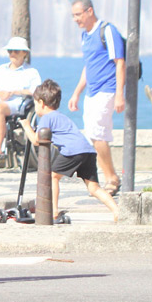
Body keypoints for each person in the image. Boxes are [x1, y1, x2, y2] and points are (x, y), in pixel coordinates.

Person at [20, 79, 119, 221]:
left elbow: (37, 140)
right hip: (87, 151)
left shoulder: (47, 118)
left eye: (35, 103)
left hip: (72, 151)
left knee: (51, 177)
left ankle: (52, 212)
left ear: (41, 103)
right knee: (94, 188)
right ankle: (116, 211)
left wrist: (26, 126)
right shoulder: (61, 117)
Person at [68, 0, 125, 196]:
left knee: (98, 133)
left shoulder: (107, 31)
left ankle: (112, 179)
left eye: (78, 14)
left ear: (89, 11)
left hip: (107, 90)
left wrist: (119, 94)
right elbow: (89, 66)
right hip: (92, 92)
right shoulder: (85, 36)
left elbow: (119, 62)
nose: (75, 19)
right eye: (73, 15)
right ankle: (109, 176)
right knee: (94, 135)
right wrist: (76, 93)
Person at [0, 37, 41, 163]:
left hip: (18, 103)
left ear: (24, 53)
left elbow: (36, 91)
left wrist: (17, 91)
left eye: (16, 51)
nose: (12, 54)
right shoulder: (1, 69)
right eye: (10, 51)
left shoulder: (31, 72)